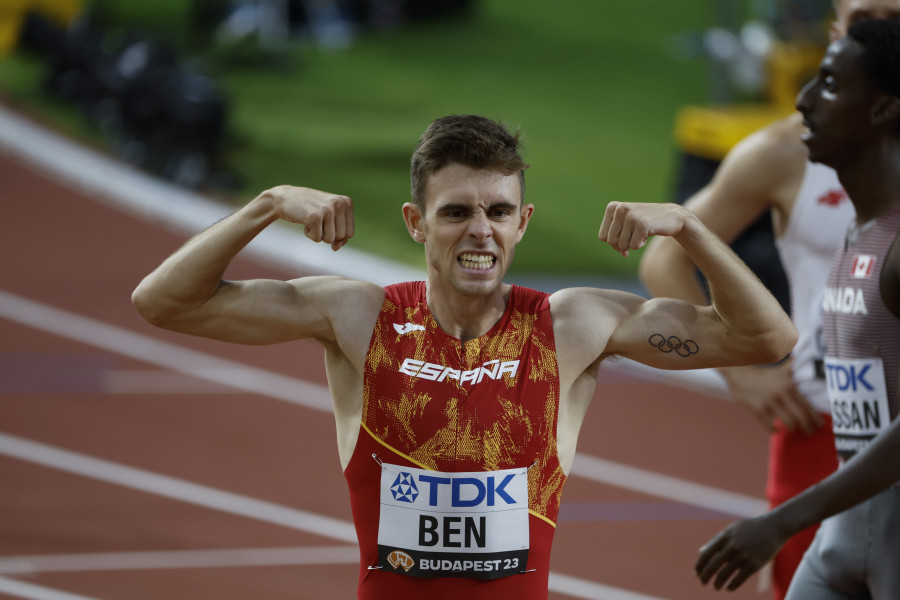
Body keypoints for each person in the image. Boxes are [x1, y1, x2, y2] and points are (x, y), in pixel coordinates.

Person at [131, 114, 796, 599]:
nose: (481, 230)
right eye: (456, 212)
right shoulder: (358, 316)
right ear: (416, 222)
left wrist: (690, 229)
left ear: (522, 222)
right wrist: (266, 205)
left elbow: (767, 339)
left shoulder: (572, 326)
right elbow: (163, 302)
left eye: (498, 211)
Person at [640, 3, 900, 597]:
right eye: (864, 14)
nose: (877, 25)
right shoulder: (785, 151)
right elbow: (666, 256)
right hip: (822, 417)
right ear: (836, 26)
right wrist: (744, 373)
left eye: (893, 15)